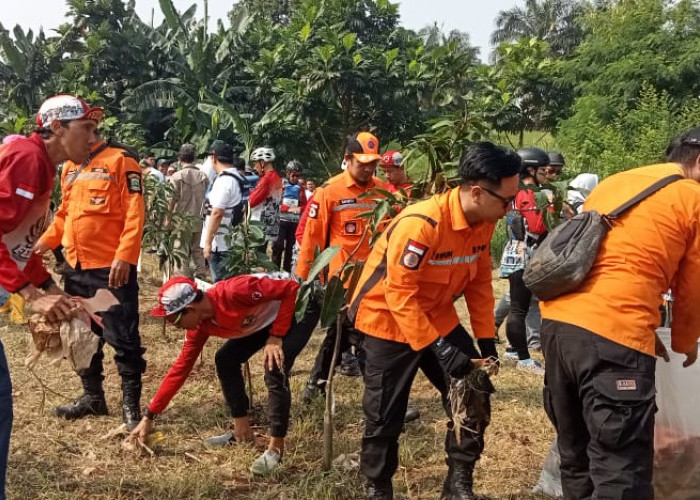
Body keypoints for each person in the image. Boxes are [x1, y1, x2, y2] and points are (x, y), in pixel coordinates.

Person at [349, 141, 520, 499]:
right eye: (506, 200)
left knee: (472, 393)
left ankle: (458, 483)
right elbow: (399, 294)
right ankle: (378, 488)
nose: (510, 208)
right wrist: (440, 349)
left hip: (436, 315)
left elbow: (479, 284)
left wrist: (486, 340)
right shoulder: (422, 224)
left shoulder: (484, 222)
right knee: (384, 415)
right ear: (476, 191)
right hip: (386, 320)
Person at [540, 128, 700, 499]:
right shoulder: (693, 197)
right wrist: (684, 341)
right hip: (612, 335)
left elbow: (622, 259)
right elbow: (692, 286)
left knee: (575, 453)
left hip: (559, 326)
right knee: (621, 468)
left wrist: (645, 332)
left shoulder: (619, 181)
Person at [0, 94, 102, 497]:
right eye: (87, 129)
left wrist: (49, 289)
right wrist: (29, 293)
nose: (93, 139)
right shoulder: (27, 159)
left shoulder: (41, 167)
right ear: (57, 127)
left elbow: (17, 244)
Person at [128, 273, 310, 475]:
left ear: (190, 309)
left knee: (274, 366)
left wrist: (276, 336)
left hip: (297, 307)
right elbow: (181, 368)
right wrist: (149, 416)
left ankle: (276, 448)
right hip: (263, 320)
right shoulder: (200, 326)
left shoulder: (235, 291)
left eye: (174, 319)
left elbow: (291, 288)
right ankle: (242, 432)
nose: (174, 326)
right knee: (225, 359)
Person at [37, 126, 146, 430]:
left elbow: (135, 212)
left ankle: (130, 405)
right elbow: (63, 214)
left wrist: (125, 256)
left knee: (122, 336)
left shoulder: (121, 160)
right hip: (76, 266)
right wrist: (43, 244)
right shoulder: (70, 167)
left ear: (90, 131)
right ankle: (93, 397)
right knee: (81, 334)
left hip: (110, 269)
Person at [296, 132, 387, 401]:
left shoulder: (381, 190)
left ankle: (315, 386)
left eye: (373, 163)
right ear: (347, 159)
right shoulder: (328, 192)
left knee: (343, 335)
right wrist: (302, 282)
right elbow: (311, 240)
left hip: (374, 282)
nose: (369, 168)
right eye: (363, 163)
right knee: (363, 340)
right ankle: (382, 398)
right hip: (341, 284)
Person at [500, 147, 550, 374]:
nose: (547, 174)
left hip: (515, 250)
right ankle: (524, 358)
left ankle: (513, 349)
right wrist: (548, 205)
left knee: (519, 305)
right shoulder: (528, 194)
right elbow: (538, 226)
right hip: (525, 253)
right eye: (544, 170)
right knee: (520, 308)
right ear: (531, 170)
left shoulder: (515, 192)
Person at [200, 143, 246, 283]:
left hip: (220, 243)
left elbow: (217, 213)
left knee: (220, 284)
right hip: (230, 238)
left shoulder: (225, 181)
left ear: (213, 158)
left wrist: (208, 243)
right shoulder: (236, 177)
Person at [168, 143, 209, 280]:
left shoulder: (177, 177)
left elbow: (170, 201)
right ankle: (200, 279)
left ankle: (183, 281)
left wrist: (167, 219)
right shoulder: (203, 177)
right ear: (195, 158)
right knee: (198, 251)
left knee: (180, 252)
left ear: (180, 159)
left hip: (181, 221)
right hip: (199, 219)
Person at [272, 160, 307, 272]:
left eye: (298, 176)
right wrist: (288, 208)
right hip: (280, 221)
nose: (296, 178)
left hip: (293, 223)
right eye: (293, 175)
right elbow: (274, 202)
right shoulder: (280, 184)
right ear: (287, 173)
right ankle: (275, 271)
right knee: (278, 247)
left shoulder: (300, 188)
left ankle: (287, 272)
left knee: (290, 249)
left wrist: (300, 209)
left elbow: (305, 205)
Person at [248, 147, 283, 250]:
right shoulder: (277, 178)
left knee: (256, 257)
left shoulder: (266, 179)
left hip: (260, 224)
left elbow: (252, 201)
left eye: (255, 163)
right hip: (272, 224)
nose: (254, 167)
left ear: (262, 162)